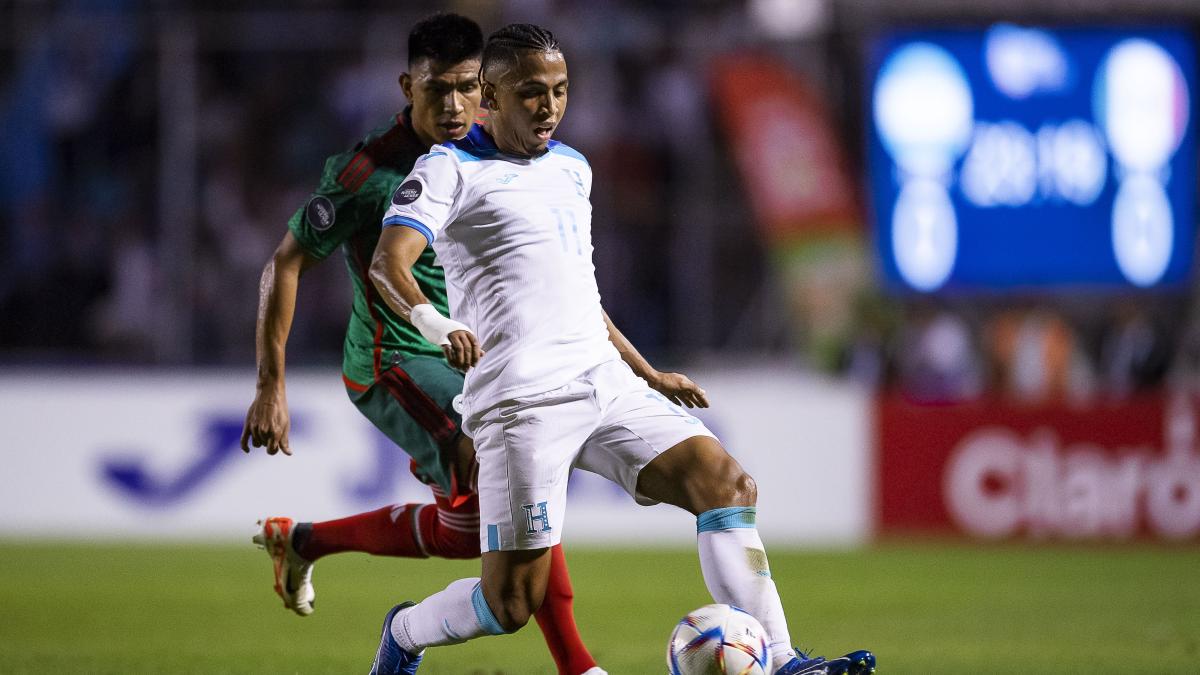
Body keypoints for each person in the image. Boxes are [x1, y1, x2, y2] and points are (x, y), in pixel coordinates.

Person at [366, 23, 876, 675]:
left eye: (560, 89)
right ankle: (405, 631)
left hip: (604, 383)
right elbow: (389, 262)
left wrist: (646, 370)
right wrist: (439, 328)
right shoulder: (448, 168)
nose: (548, 105)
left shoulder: (572, 169)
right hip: (521, 404)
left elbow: (579, 290)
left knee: (725, 483)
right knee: (509, 604)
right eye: (529, 93)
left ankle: (781, 660)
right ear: (488, 96)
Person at [239, 14, 602, 675]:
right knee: (513, 472)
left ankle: (304, 541)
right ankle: (578, 665)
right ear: (408, 85)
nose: (455, 105)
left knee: (468, 535)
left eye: (468, 88)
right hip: (395, 359)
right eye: (438, 89)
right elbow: (284, 263)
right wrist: (271, 384)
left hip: (478, 367)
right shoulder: (365, 174)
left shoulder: (500, 159)